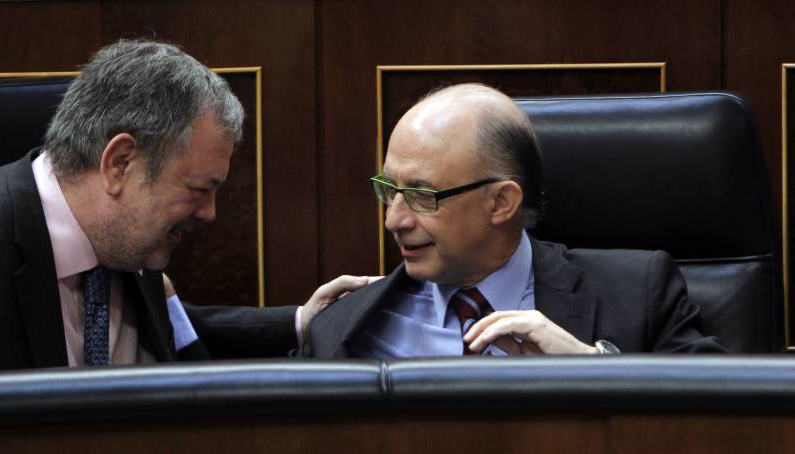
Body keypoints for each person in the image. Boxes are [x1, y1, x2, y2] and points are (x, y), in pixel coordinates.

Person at [0, 39, 369, 377]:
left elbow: (172, 329)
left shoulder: (120, 233)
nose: (209, 213)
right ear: (119, 162)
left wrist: (303, 321)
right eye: (198, 188)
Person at [301, 84, 725, 358]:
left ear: (501, 202)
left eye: (422, 196)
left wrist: (594, 369)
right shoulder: (344, 327)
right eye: (389, 189)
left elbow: (731, 419)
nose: (394, 220)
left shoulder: (638, 292)